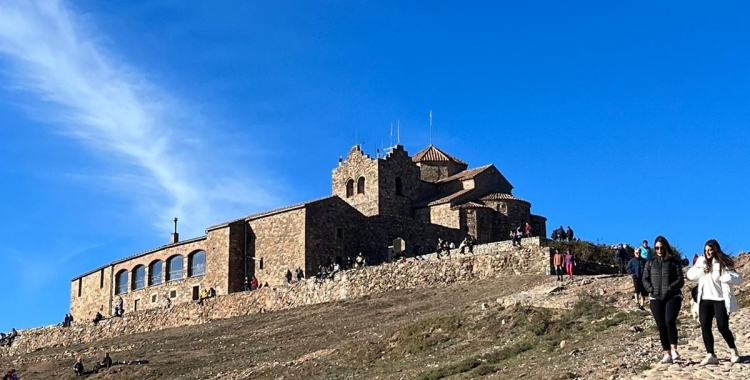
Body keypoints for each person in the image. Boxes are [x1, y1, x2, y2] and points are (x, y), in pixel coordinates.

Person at [687, 239, 743, 365]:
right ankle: (710, 354)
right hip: (705, 300)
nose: (708, 252)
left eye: (710, 250)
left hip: (720, 300)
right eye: (706, 250)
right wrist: (702, 270)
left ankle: (733, 350)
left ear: (715, 250)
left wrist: (726, 277)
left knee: (722, 327)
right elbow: (690, 275)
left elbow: (739, 279)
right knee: (705, 326)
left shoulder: (723, 263)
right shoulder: (701, 262)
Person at [642, 236, 685, 364]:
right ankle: (666, 353)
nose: (659, 250)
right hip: (655, 297)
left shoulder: (674, 262)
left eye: (661, 247)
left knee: (669, 321)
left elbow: (680, 280)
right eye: (656, 248)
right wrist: (651, 289)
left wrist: (670, 287)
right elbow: (644, 278)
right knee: (660, 324)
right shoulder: (650, 262)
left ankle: (674, 349)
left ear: (665, 247)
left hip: (672, 296)